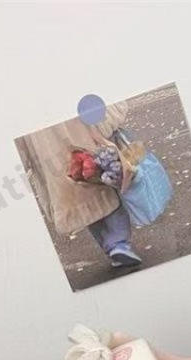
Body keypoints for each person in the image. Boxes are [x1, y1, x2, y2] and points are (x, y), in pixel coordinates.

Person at [23, 101, 141, 268]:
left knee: (82, 204)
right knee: (103, 189)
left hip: (51, 158)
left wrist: (24, 156)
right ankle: (118, 243)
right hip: (82, 139)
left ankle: (113, 248)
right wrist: (105, 120)